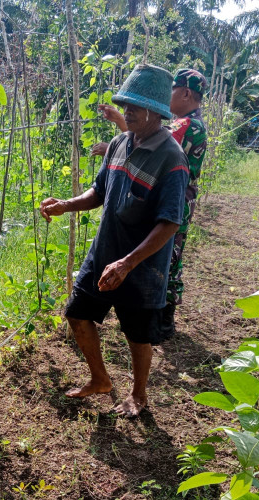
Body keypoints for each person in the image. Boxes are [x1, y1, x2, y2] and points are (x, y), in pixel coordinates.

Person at [39, 64, 189, 418]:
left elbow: (169, 223)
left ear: (155, 112)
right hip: (104, 252)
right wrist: (66, 205)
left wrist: (128, 263)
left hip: (141, 266)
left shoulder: (172, 159)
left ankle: (138, 395)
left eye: (134, 107)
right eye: (125, 105)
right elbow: (99, 191)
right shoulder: (120, 143)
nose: (126, 113)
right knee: (77, 315)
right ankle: (100, 379)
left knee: (137, 335)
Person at [91, 69, 208, 338]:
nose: (166, 98)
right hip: (177, 193)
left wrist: (118, 132)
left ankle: (160, 321)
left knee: (166, 253)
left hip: (169, 195)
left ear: (186, 93)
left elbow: (155, 147)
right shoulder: (193, 123)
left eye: (172, 91)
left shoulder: (185, 126)